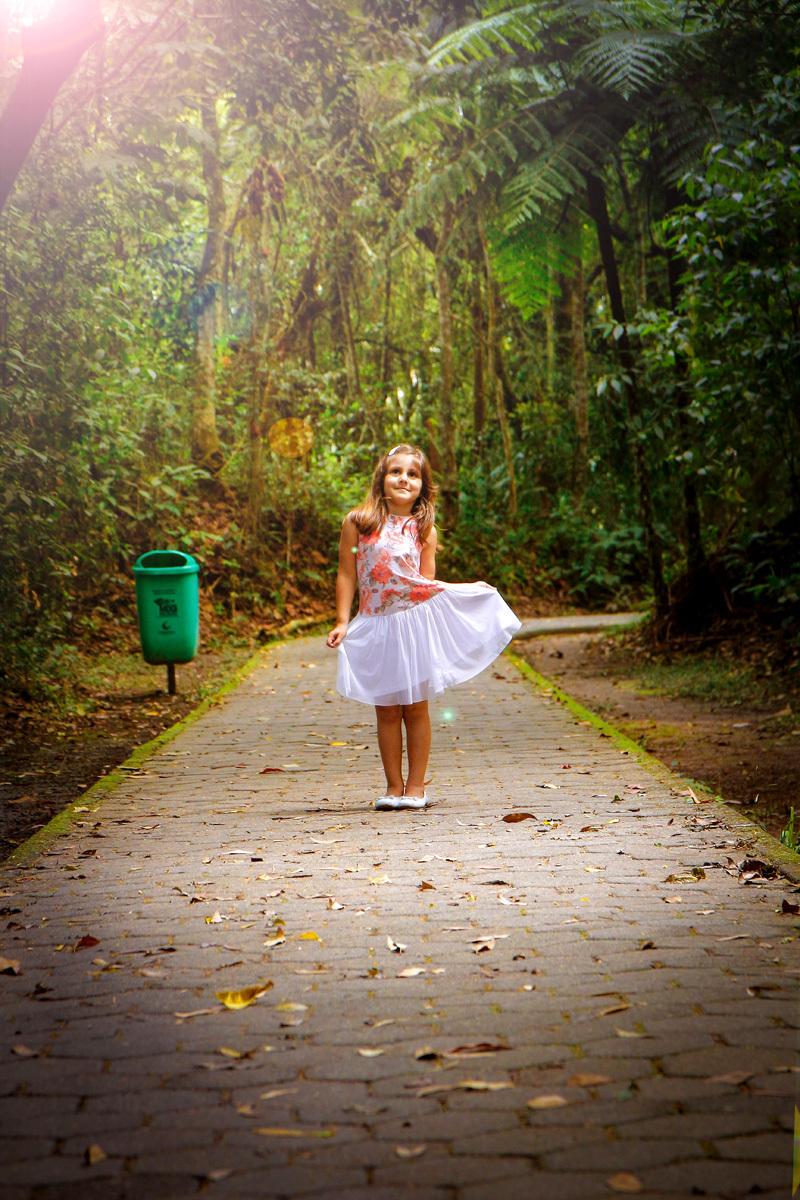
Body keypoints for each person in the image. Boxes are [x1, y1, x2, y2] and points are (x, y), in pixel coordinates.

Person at [326, 444, 521, 811]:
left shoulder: (424, 529)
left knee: (415, 707)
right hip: (376, 623)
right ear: (381, 479)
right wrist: (342, 620)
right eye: (395, 471)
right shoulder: (358, 523)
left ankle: (416, 787)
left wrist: (464, 592)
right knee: (385, 708)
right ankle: (393, 787)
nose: (403, 479)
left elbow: (425, 586)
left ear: (422, 485)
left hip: (413, 627)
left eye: (412, 474)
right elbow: (347, 572)